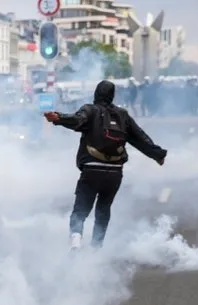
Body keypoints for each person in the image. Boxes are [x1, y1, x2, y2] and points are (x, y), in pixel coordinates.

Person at [44, 80, 167, 250]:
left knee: (81, 208)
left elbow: (77, 120)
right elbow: (140, 138)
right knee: (103, 209)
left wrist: (59, 118)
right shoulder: (122, 115)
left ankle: (76, 241)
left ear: (96, 93)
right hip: (115, 172)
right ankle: (96, 247)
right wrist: (158, 155)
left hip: (92, 169)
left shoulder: (90, 110)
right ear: (112, 95)